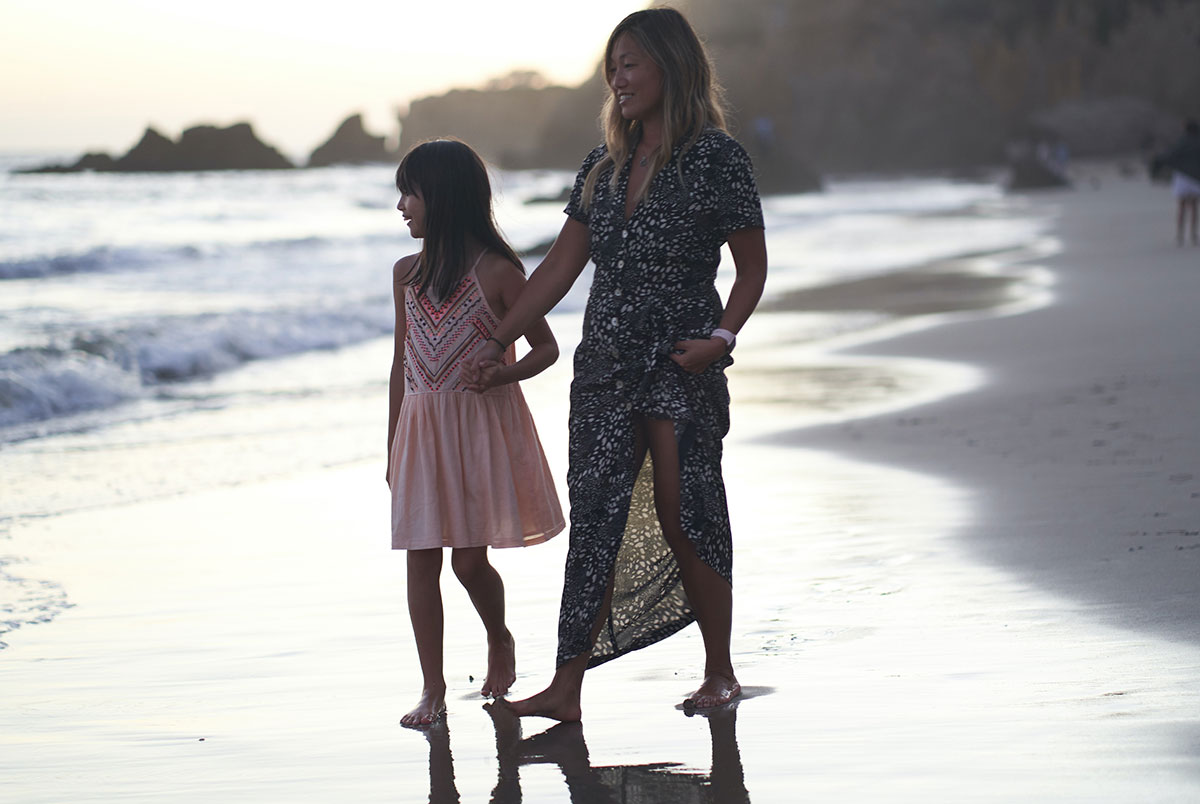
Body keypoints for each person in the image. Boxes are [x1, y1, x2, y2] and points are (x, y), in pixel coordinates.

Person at [467, 6, 768, 721]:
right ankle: (565, 690)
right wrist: (498, 335)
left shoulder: (717, 158)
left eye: (631, 63)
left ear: (673, 66)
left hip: (680, 357)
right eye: (613, 66)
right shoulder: (600, 166)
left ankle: (719, 671)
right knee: (597, 513)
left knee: (683, 507)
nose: (618, 78)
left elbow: (751, 268)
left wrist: (721, 340)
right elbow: (557, 271)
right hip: (603, 362)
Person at [387, 138, 565, 727]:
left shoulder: (498, 271)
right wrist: (393, 443)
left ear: (440, 196)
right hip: (420, 428)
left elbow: (546, 347)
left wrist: (503, 373)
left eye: (409, 194)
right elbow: (400, 363)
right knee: (419, 561)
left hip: (477, 428)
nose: (402, 207)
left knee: (467, 562)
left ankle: (500, 637)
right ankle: (431, 689)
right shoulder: (405, 275)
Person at [1155, 120, 1200, 246]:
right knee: (1195, 207)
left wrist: (1158, 163)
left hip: (1183, 177)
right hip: (1196, 178)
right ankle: (1193, 234)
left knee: (1181, 206)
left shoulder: (1182, 141)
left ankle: (1180, 234)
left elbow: (1171, 155)